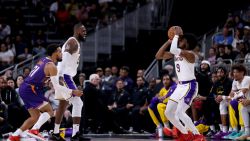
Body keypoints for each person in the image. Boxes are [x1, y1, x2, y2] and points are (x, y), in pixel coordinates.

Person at [7, 44, 83, 141]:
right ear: (55, 53)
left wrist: (44, 82)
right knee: (49, 111)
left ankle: (15, 135)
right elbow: (57, 87)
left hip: (26, 88)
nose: (62, 54)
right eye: (60, 52)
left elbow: (39, 75)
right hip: (30, 89)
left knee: (35, 117)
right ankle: (34, 130)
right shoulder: (51, 66)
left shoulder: (43, 60)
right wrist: (73, 92)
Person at [155, 26, 205, 141]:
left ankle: (197, 135)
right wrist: (169, 41)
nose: (179, 41)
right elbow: (158, 56)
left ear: (187, 42)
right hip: (180, 86)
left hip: (190, 86)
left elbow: (173, 50)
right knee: (168, 112)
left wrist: (176, 35)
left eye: (181, 39)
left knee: (180, 112)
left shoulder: (190, 54)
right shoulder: (176, 53)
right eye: (179, 39)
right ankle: (184, 133)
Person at [51, 23, 90, 141]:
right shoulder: (73, 42)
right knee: (78, 103)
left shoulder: (73, 42)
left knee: (63, 105)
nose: (85, 33)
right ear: (77, 30)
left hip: (64, 75)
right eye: (83, 31)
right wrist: (60, 78)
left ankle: (56, 133)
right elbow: (65, 58)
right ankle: (75, 134)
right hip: (64, 76)